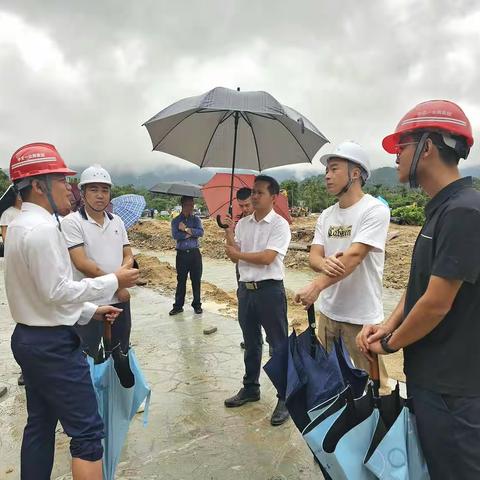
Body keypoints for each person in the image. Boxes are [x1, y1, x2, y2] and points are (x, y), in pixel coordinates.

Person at [356, 100, 480, 479]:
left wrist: (391, 345)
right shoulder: (441, 209)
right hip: (432, 379)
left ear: (427, 148)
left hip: (454, 390)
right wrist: (389, 326)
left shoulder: (464, 212)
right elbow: (417, 288)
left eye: (401, 148)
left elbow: (436, 305)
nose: (395, 158)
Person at [5, 143, 139, 480]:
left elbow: (44, 295)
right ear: (38, 185)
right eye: (62, 180)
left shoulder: (20, 225)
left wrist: (91, 311)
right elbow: (58, 291)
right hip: (53, 344)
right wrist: (114, 280)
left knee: (40, 424)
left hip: (29, 336)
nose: (70, 187)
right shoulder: (47, 229)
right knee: (88, 433)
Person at [295, 141, 391, 391]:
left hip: (362, 319)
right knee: (333, 383)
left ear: (355, 173)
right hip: (328, 315)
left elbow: (355, 255)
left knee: (374, 388)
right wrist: (324, 263)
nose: (327, 176)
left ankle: (380, 430)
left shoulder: (374, 210)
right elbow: (314, 256)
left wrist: (316, 285)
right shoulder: (326, 215)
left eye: (334, 169)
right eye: (327, 170)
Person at [224, 175, 291, 426]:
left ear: (273, 197)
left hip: (270, 291)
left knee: (278, 345)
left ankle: (285, 396)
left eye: (259, 192)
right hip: (246, 290)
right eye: (253, 191)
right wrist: (230, 233)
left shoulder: (280, 225)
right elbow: (234, 257)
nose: (254, 196)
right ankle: (250, 387)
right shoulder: (243, 224)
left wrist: (238, 253)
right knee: (251, 342)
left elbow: (267, 257)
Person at [61, 165, 134, 360]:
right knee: (89, 355)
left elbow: (128, 255)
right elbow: (82, 263)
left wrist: (122, 276)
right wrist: (117, 284)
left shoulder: (116, 221)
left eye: (105, 190)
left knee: (121, 352)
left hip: (119, 301)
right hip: (89, 302)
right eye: (93, 189)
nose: (100, 195)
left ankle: (116, 390)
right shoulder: (71, 222)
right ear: (83, 194)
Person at [0, 186, 24, 387]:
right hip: (16, 264)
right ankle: (26, 369)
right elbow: (7, 239)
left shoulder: (29, 212)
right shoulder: (9, 214)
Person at [169, 196, 204, 315]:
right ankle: (178, 306)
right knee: (181, 280)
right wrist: (189, 233)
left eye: (192, 205)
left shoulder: (196, 220)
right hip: (182, 254)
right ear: (183, 205)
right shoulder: (176, 220)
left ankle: (197, 304)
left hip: (195, 253)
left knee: (196, 280)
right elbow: (175, 235)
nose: (191, 207)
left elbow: (201, 232)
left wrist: (186, 229)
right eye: (189, 205)